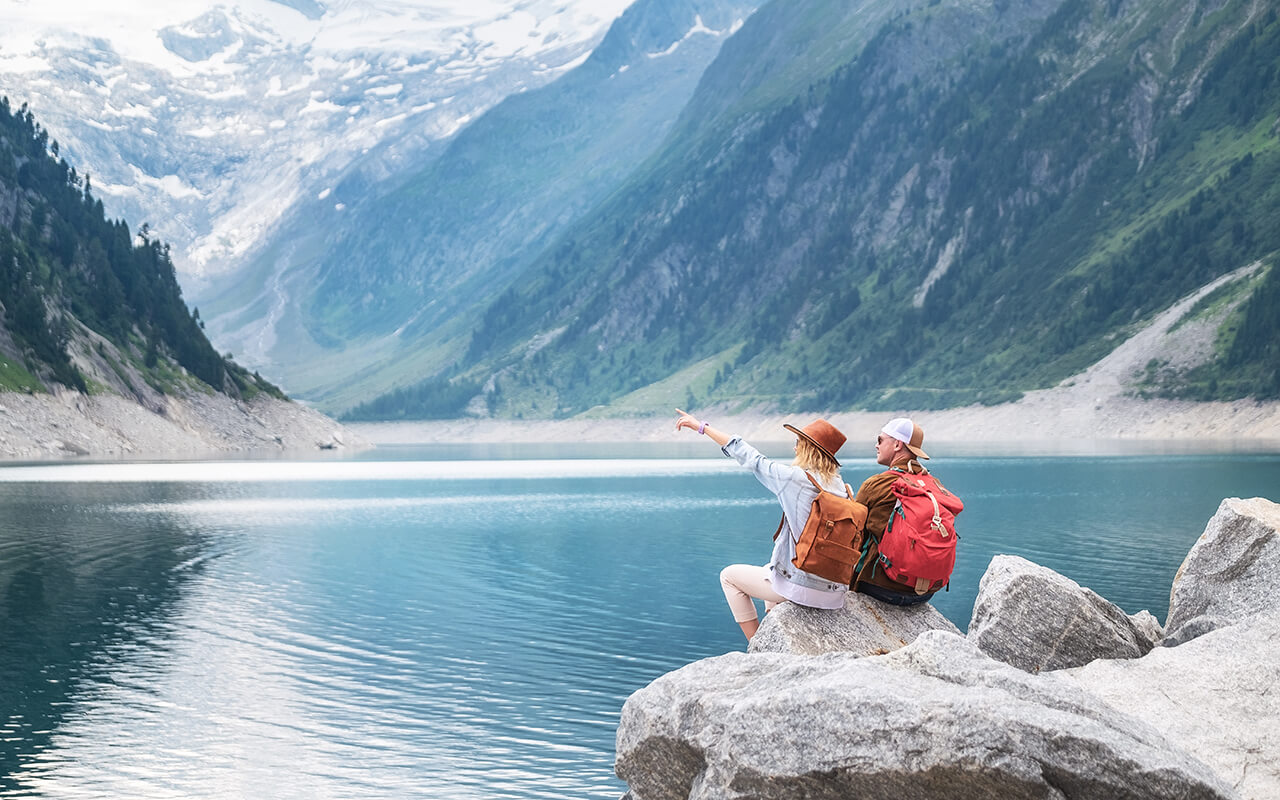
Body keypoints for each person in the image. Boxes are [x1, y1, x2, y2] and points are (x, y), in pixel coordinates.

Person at [674, 408, 851, 641]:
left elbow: (750, 457)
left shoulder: (794, 479)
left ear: (809, 449)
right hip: (835, 591)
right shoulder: (844, 489)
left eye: (798, 442)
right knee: (772, 569)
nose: (794, 447)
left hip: (805, 589)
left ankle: (757, 646)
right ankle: (777, 636)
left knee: (729, 577)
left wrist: (702, 427)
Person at [850, 417, 938, 606]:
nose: (876, 445)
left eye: (880, 440)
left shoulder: (876, 484)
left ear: (898, 444)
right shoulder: (934, 485)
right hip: (925, 591)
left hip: (881, 587)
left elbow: (853, 534)